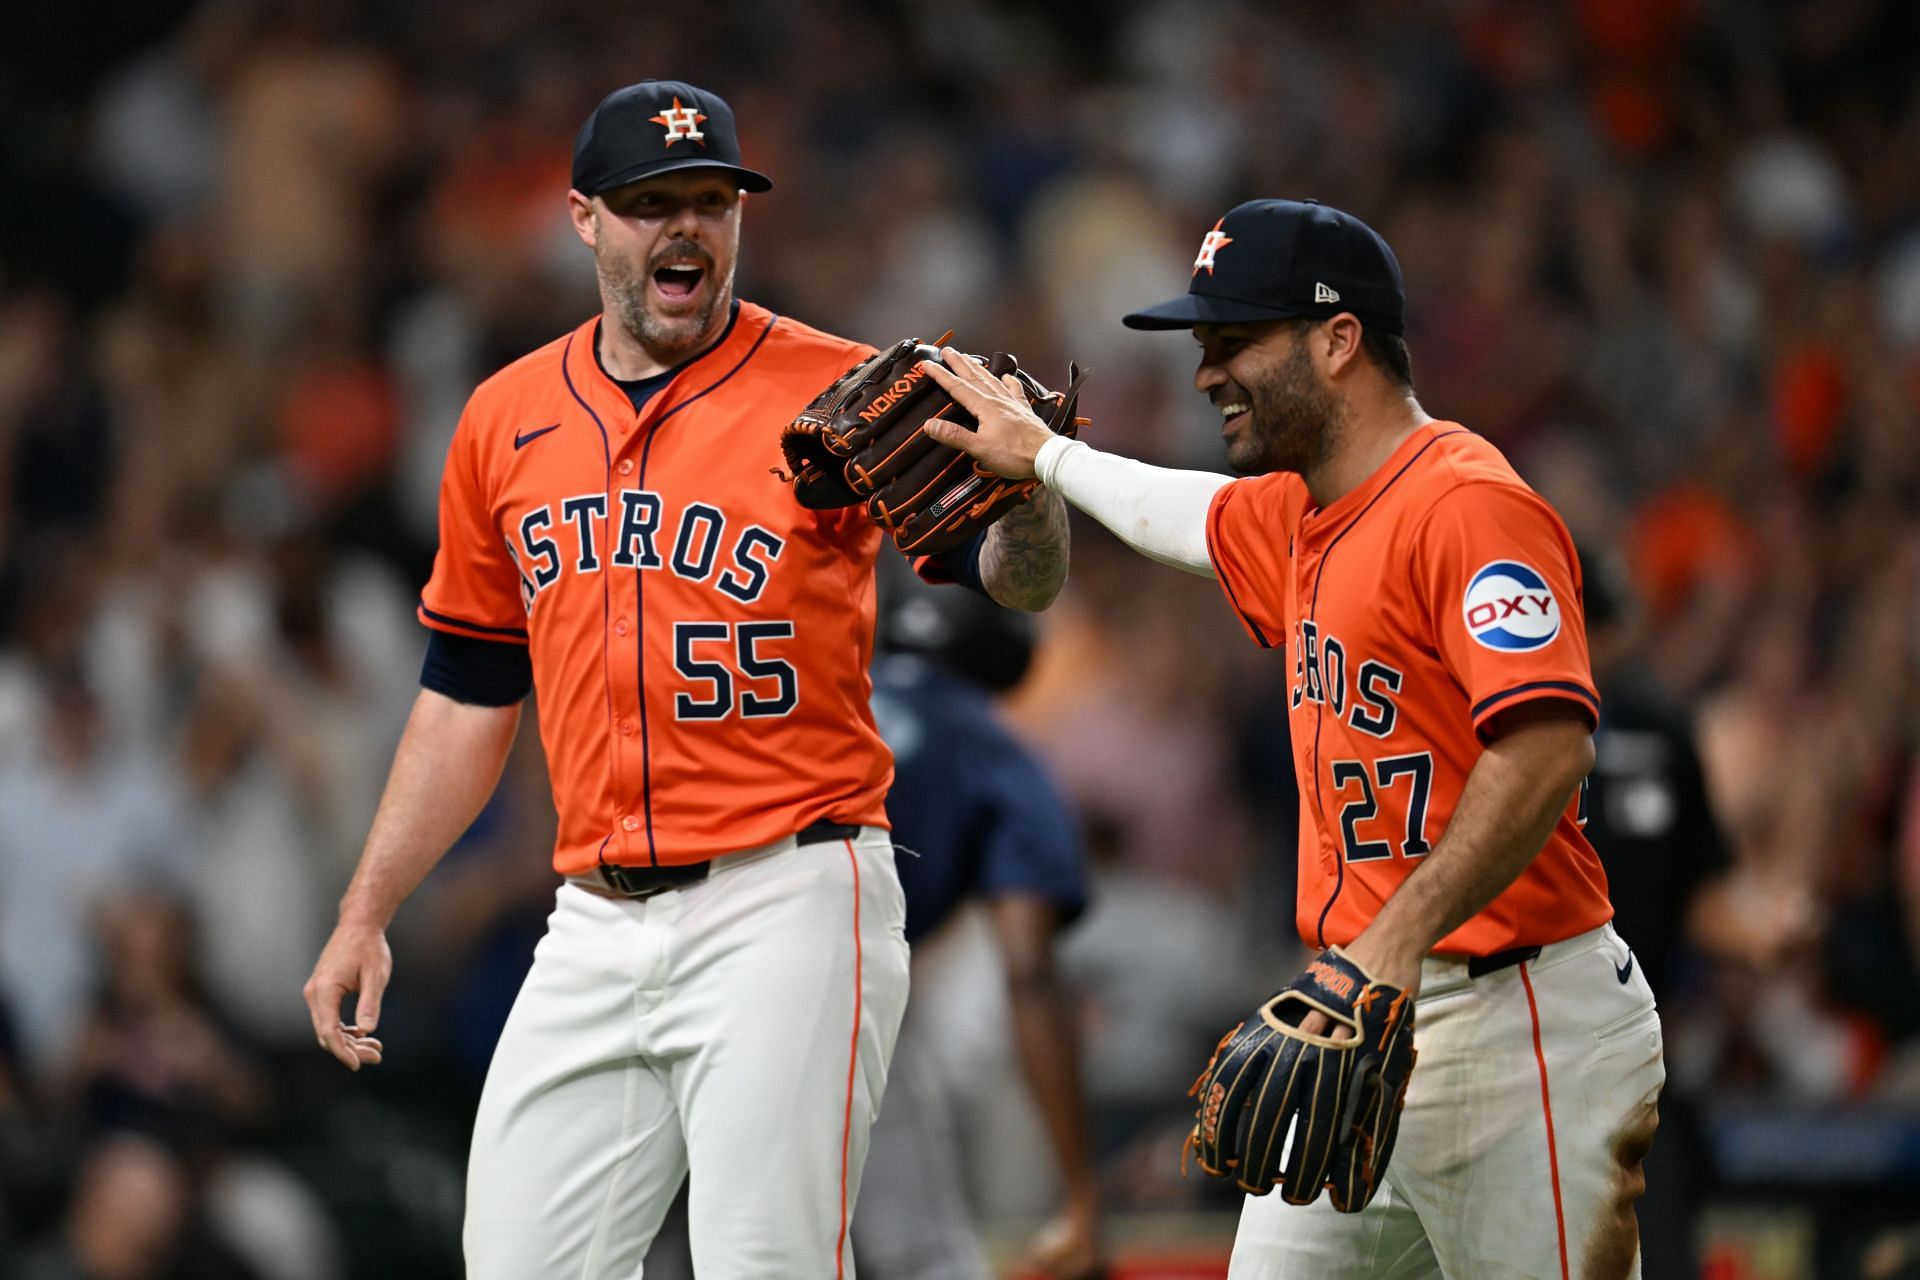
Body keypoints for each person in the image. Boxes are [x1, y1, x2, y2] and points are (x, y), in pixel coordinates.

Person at [300, 79, 1069, 1280]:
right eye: (653, 201)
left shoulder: (835, 394)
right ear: (584, 219)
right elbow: (465, 691)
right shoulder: (503, 420)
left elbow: (1012, 579)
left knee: (765, 1262)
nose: (687, 228)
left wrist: (1032, 498)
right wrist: (366, 909)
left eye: (711, 200)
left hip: (787, 893)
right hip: (595, 919)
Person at [919, 199, 1665, 1279]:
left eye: (1233, 342)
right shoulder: (1300, 513)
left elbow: (1549, 749)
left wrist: (1395, 940)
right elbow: (1178, 511)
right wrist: (1045, 459)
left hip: (1524, 1028)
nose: (1205, 372)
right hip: (1363, 1022)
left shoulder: (1467, 505)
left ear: (1338, 339)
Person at [855, 575, 1104, 1280]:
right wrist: (1082, 1195)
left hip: (677, 953)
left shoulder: (829, 696)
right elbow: (1027, 971)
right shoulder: (990, 750)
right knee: (929, 1264)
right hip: (836, 988)